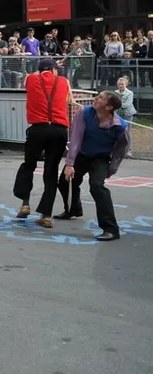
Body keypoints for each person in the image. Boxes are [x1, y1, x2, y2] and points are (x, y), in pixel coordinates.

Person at [57, 91, 130, 241]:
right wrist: (69, 164)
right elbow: (76, 138)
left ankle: (111, 229)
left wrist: (112, 168)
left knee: (97, 186)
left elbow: (122, 148)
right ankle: (73, 209)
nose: (95, 99)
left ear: (109, 107)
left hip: (100, 158)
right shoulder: (84, 112)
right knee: (65, 181)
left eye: (101, 98)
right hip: (82, 155)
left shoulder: (120, 126)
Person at [12, 58, 70, 228]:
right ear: (53, 70)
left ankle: (25, 203)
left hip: (38, 128)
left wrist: (44, 70)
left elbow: (34, 77)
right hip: (59, 130)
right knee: (51, 171)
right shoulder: (63, 81)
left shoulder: (31, 78)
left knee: (28, 165)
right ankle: (46, 215)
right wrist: (52, 71)